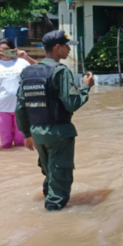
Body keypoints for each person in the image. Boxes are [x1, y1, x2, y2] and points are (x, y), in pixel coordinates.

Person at [15, 30, 95, 211]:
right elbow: (72, 103)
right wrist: (85, 87)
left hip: (37, 133)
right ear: (57, 47)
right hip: (58, 133)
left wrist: (27, 133)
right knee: (61, 179)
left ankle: (48, 201)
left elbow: (20, 107)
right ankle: (54, 219)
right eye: (67, 46)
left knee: (51, 173)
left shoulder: (28, 72)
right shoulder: (60, 71)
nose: (69, 50)